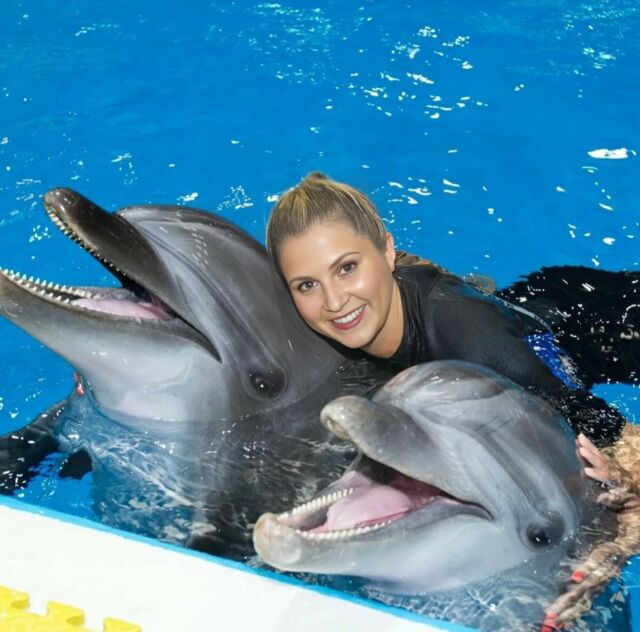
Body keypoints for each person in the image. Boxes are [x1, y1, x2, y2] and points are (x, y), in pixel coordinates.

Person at [266, 171, 640, 625]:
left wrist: (622, 532)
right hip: (503, 315)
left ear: (387, 250)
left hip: (594, 326)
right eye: (307, 285)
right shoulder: (337, 331)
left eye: (347, 268)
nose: (334, 301)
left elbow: (622, 441)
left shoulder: (481, 350)